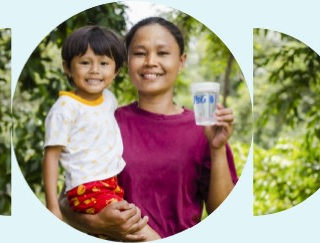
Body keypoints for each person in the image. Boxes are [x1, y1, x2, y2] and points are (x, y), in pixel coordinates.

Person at [59, 17, 238, 241]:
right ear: (126, 61)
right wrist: (98, 222)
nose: (150, 61)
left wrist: (218, 149)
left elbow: (223, 215)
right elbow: (66, 201)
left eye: (162, 53)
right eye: (140, 53)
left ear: (181, 61)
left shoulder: (205, 129)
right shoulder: (103, 121)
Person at [42, 25, 160, 241]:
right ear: (67, 68)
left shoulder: (109, 100)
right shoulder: (64, 108)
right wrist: (52, 208)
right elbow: (51, 157)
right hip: (85, 188)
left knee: (116, 232)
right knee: (143, 233)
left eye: (104, 63)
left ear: (115, 71)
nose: (95, 70)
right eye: (85, 62)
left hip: (111, 184)